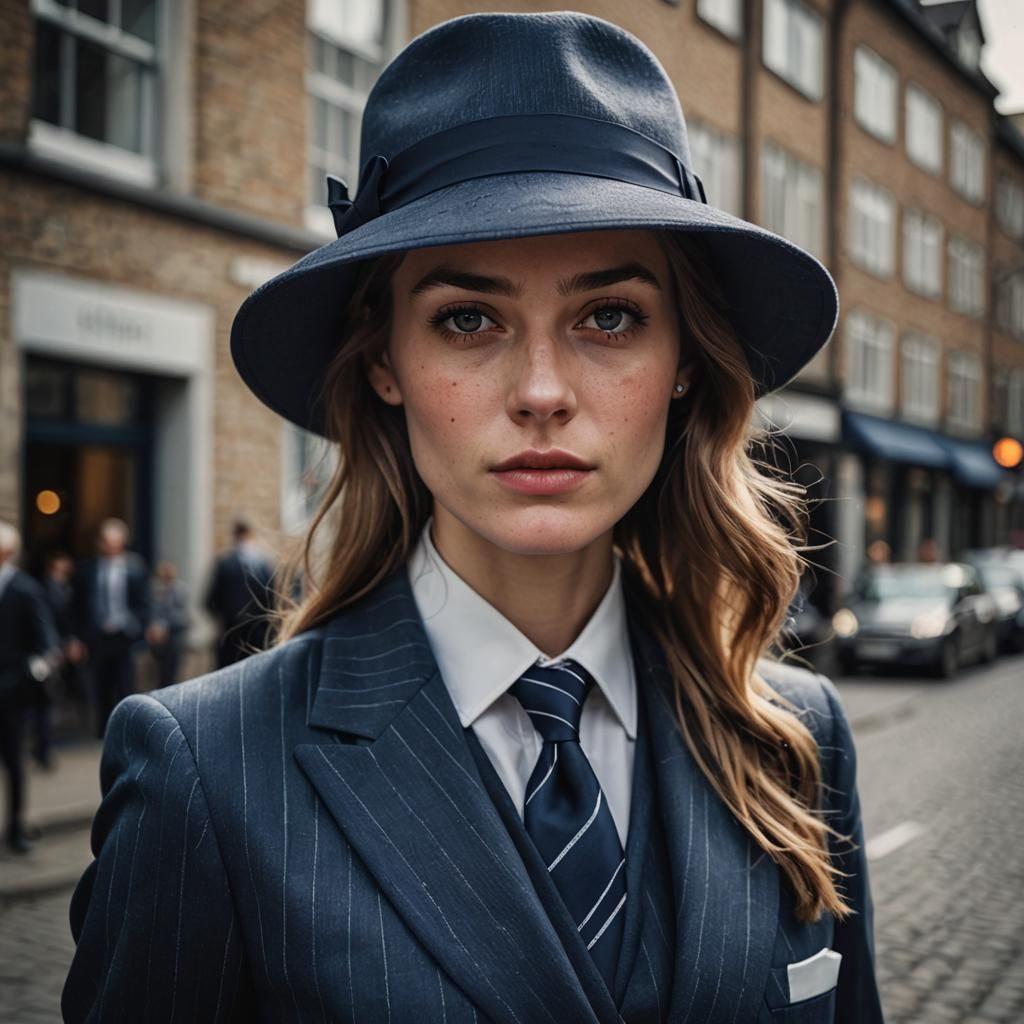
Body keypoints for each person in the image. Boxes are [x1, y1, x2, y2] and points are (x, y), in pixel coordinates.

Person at [63, 13, 884, 1022]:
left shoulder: (797, 740)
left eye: (609, 316)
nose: (541, 391)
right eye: (467, 318)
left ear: (682, 363)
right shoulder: (208, 771)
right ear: (384, 363)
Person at [0, 521, 59, 853]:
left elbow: (44, 640)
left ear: (7, 553)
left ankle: (15, 828)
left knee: (13, 762)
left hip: (10, 692)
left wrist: (28, 672)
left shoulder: (25, 589)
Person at [67, 518, 150, 738]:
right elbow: (75, 607)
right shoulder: (86, 570)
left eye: (115, 542)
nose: (110, 546)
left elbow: (144, 603)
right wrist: (75, 638)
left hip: (124, 634)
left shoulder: (135, 568)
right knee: (100, 685)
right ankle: (103, 730)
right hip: (97, 636)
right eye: (106, 541)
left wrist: (140, 628)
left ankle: (126, 729)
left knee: (125, 685)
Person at [203, 518, 276, 667]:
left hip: (231, 633)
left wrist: (224, 618)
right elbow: (272, 600)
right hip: (256, 636)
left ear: (235, 535)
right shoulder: (262, 564)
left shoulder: (224, 563)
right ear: (250, 534)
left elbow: (209, 601)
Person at [145, 560, 191, 688]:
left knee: (173, 672)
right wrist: (154, 627)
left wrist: (165, 627)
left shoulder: (181, 590)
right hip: (157, 640)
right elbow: (151, 611)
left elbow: (183, 616)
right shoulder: (154, 589)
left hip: (175, 636)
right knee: (158, 672)